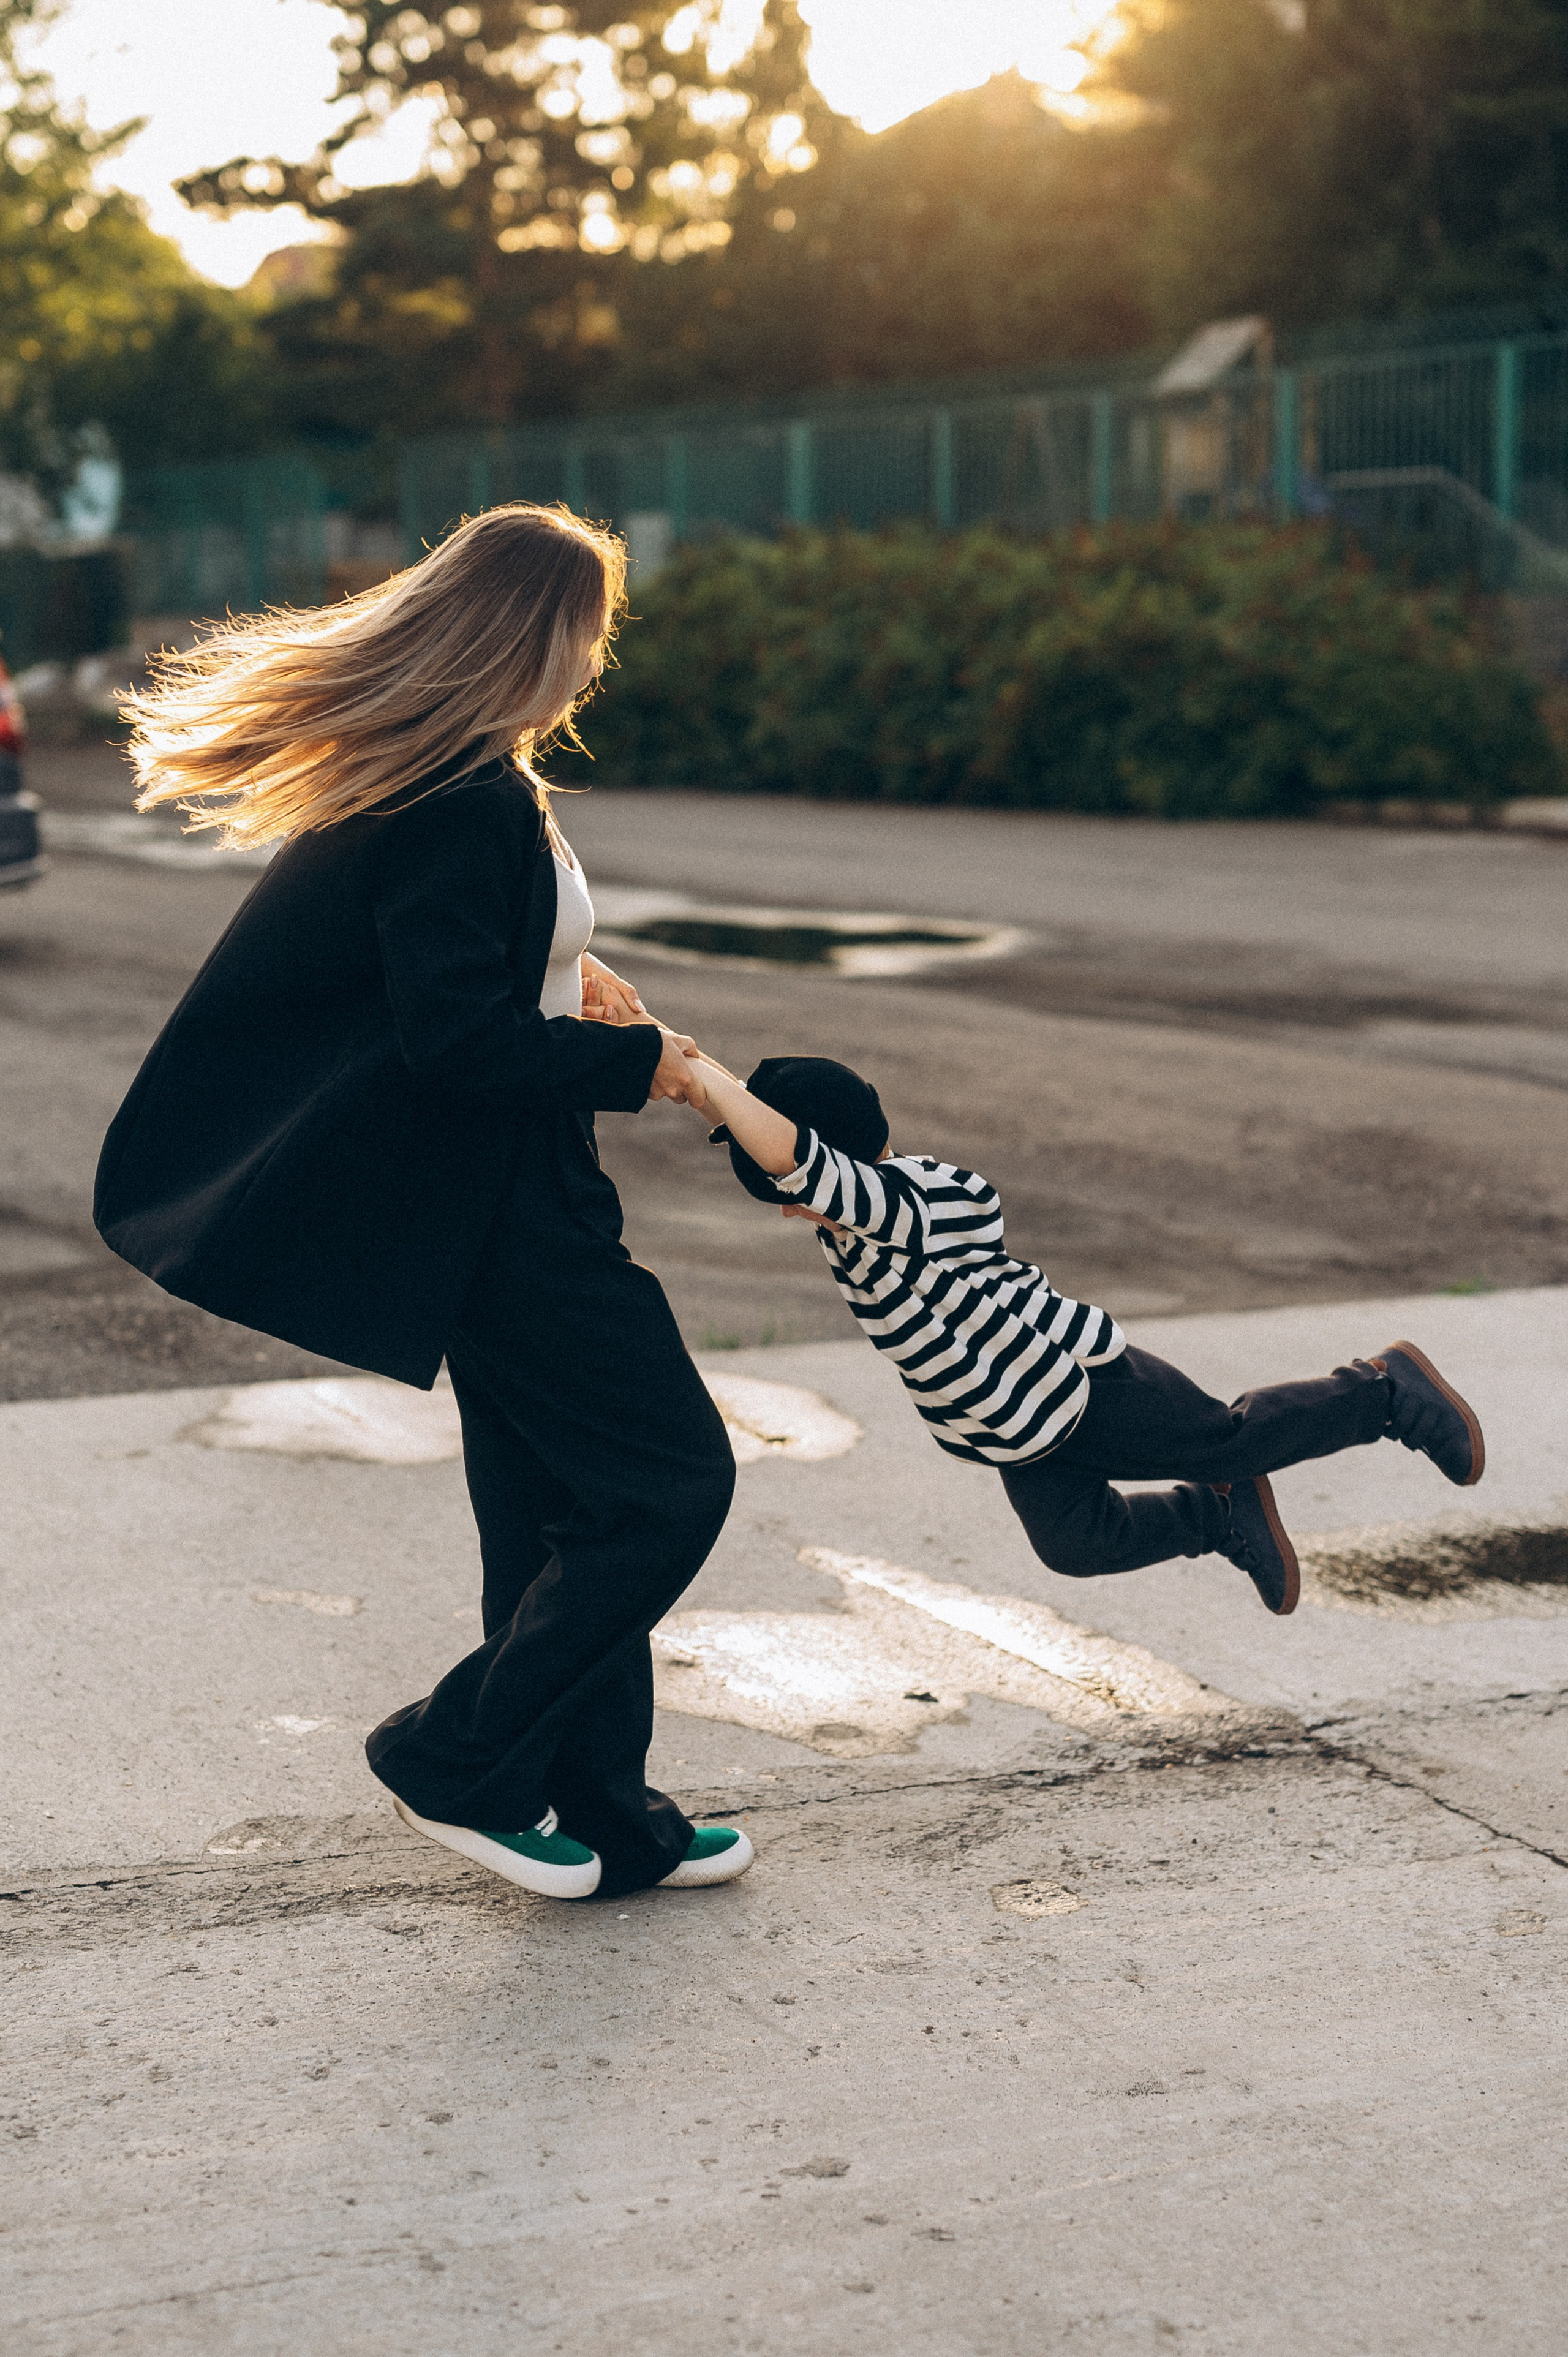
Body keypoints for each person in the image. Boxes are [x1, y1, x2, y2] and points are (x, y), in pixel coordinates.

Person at [94, 503, 753, 1903]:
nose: (595, 660)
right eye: (590, 631)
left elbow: (471, 985)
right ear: (537, 632)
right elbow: (451, 1042)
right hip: (506, 1205)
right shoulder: (461, 801)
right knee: (671, 1483)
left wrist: (579, 984)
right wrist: (650, 1065)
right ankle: (456, 1757)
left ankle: (602, 1810)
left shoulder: (470, 780)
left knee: (556, 1508)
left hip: (517, 1187)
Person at [649, 1049, 1484, 1612]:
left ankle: (1384, 1393)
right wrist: (690, 1068)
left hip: (1080, 1384)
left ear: (832, 1164)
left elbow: (799, 1159)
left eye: (783, 1182)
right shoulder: (857, 1216)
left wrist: (722, 1092)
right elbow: (795, 1153)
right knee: (1077, 1546)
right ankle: (1215, 1519)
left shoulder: (899, 1205)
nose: (792, 1202)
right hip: (1019, 1431)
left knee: (1229, 1439)